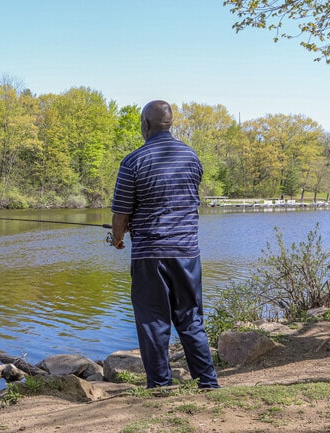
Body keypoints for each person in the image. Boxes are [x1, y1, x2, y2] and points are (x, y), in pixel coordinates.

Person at [110, 100, 219, 389]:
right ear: (169, 124)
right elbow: (178, 201)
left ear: (145, 125)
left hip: (150, 255)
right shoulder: (192, 157)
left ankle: (160, 386)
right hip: (187, 252)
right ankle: (208, 383)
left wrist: (117, 237)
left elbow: (121, 214)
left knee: (153, 322)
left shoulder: (133, 161)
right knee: (191, 319)